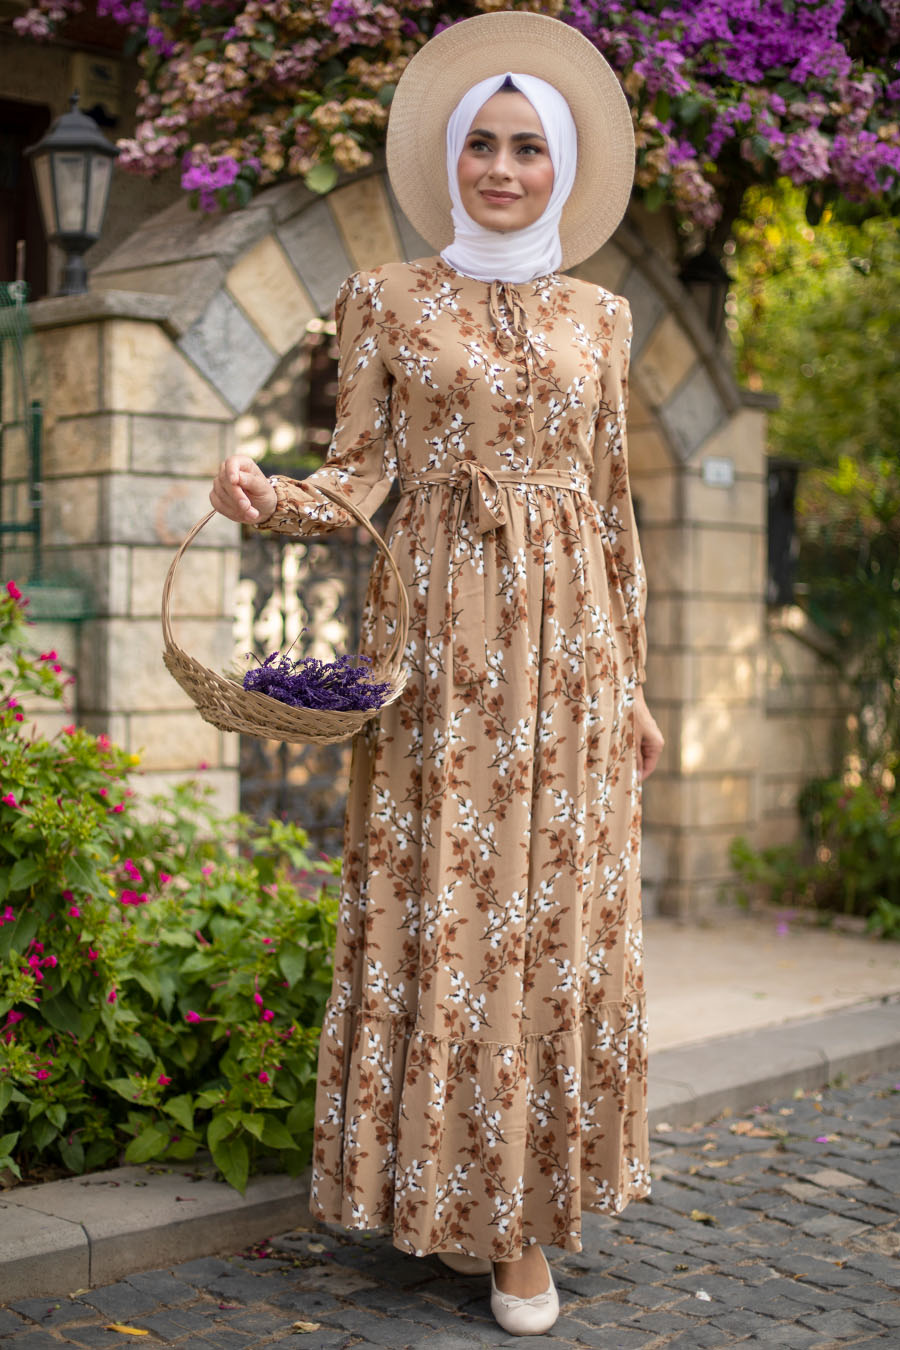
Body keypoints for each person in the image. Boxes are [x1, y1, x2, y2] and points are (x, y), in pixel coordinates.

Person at [210, 10, 664, 1336]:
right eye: (484, 144)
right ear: (451, 158)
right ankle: (438, 1194)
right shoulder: (387, 301)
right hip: (440, 650)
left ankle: (524, 1222)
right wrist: (267, 498)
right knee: (455, 913)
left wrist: (631, 679)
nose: (506, 167)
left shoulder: (603, 316)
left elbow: (613, 503)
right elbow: (360, 475)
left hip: (571, 660)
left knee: (550, 919)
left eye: (529, 147)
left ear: (562, 166)